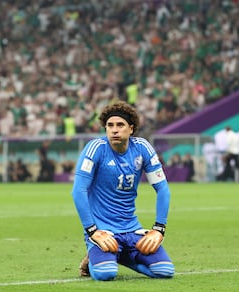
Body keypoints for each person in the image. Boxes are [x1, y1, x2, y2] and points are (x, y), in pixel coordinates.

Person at [72, 100, 174, 281]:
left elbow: (163, 189)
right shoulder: (96, 149)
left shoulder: (142, 148)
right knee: (106, 274)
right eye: (109, 125)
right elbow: (78, 190)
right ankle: (94, 257)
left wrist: (159, 229)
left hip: (132, 230)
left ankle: (122, 256)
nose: (114, 130)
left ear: (131, 129)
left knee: (165, 271)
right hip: (103, 231)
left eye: (120, 125)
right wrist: (92, 231)